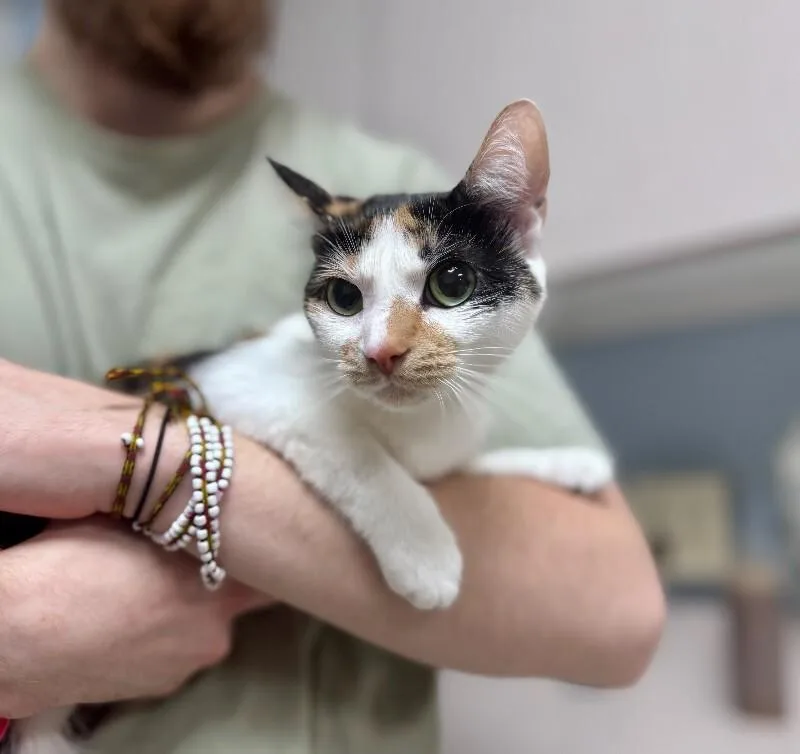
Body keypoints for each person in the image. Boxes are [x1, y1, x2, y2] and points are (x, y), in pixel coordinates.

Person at [0, 1, 666, 752]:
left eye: (443, 289)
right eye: (346, 297)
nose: (384, 348)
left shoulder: (400, 181)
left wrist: (142, 464)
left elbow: (621, 614)